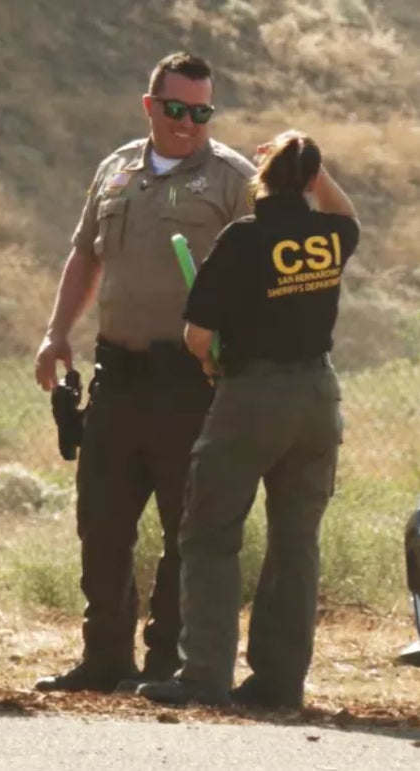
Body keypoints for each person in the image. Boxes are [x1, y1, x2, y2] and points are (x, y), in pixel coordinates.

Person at [32, 52, 255, 693]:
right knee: (101, 520)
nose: (189, 123)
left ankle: (168, 662)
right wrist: (56, 334)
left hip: (190, 381)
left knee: (186, 527)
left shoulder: (233, 179)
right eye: (176, 109)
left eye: (202, 112)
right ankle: (104, 657)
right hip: (116, 374)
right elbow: (83, 256)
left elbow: (259, 275)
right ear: (150, 105)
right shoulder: (116, 169)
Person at [139, 131, 359, 708]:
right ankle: (280, 682)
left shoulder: (244, 239)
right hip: (318, 397)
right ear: (312, 181)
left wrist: (213, 367)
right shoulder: (331, 235)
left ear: (260, 180)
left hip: (252, 397)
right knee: (296, 542)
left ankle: (205, 675)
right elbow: (345, 211)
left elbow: (197, 336)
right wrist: (314, 168)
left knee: (210, 533)